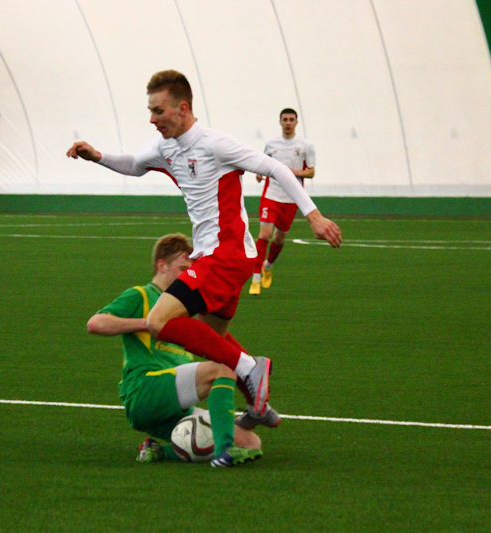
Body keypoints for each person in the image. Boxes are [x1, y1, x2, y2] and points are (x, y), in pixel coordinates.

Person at [68, 70, 342, 465]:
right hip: (219, 257)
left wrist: (313, 216)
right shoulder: (165, 147)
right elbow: (134, 164)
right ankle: (258, 404)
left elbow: (277, 169)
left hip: (224, 255)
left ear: (182, 108)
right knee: (213, 339)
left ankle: (250, 369)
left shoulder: (215, 143)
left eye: (158, 110)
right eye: (150, 111)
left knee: (160, 321)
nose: (152, 119)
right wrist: (97, 157)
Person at [87, 233, 263, 466]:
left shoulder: (183, 309)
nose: (186, 275)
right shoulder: (142, 294)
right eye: (182, 269)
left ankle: (159, 451)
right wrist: (149, 323)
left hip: (174, 404)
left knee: (251, 442)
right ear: (162, 265)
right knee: (224, 368)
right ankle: (223, 451)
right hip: (146, 390)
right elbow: (95, 323)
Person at [250, 108, 316, 295]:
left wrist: (293, 173)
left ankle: (268, 266)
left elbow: (311, 172)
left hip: (291, 197)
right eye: (285, 119)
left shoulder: (305, 145)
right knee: (265, 234)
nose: (288, 123)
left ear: (296, 122)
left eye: (291, 119)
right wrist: (259, 174)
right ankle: (255, 279)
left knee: (279, 238)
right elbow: (264, 163)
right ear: (280, 122)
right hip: (272, 195)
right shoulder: (271, 144)